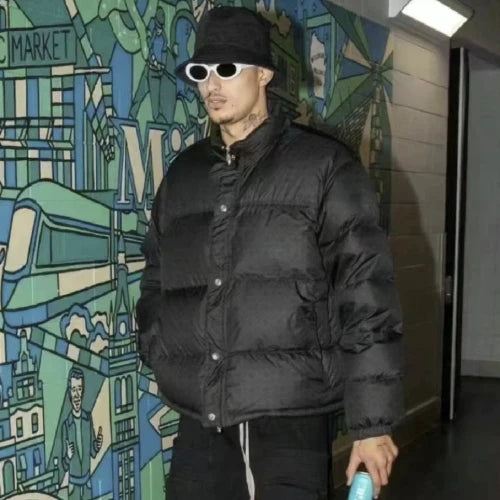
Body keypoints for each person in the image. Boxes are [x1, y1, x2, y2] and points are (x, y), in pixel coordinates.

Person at [136, 7, 404, 500]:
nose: (212, 84)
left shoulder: (323, 167)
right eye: (201, 72)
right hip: (202, 418)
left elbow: (366, 294)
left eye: (227, 69)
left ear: (263, 74)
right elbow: (157, 272)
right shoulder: (184, 175)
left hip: (289, 416)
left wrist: (372, 425)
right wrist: (156, 341)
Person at [61, 367, 103, 500]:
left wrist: (97, 445)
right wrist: (68, 456)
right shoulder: (66, 426)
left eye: (79, 389)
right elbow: (64, 465)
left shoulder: (87, 419)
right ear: (69, 392)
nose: (77, 394)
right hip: (74, 486)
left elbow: (93, 452)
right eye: (74, 389)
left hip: (87, 484)